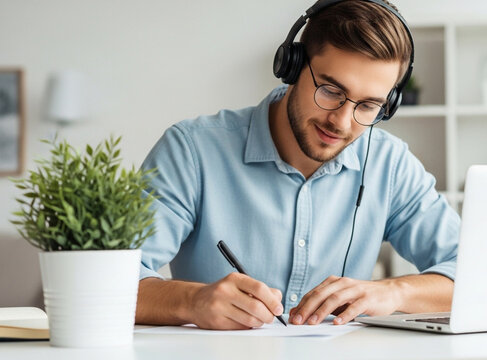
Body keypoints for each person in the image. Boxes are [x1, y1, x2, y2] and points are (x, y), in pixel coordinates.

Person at [135, 0, 460, 330]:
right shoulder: (191, 151)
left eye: (368, 106)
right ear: (292, 66)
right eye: (331, 90)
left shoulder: (389, 165)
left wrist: (395, 292)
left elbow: (476, 272)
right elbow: (103, 279)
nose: (342, 122)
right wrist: (192, 302)